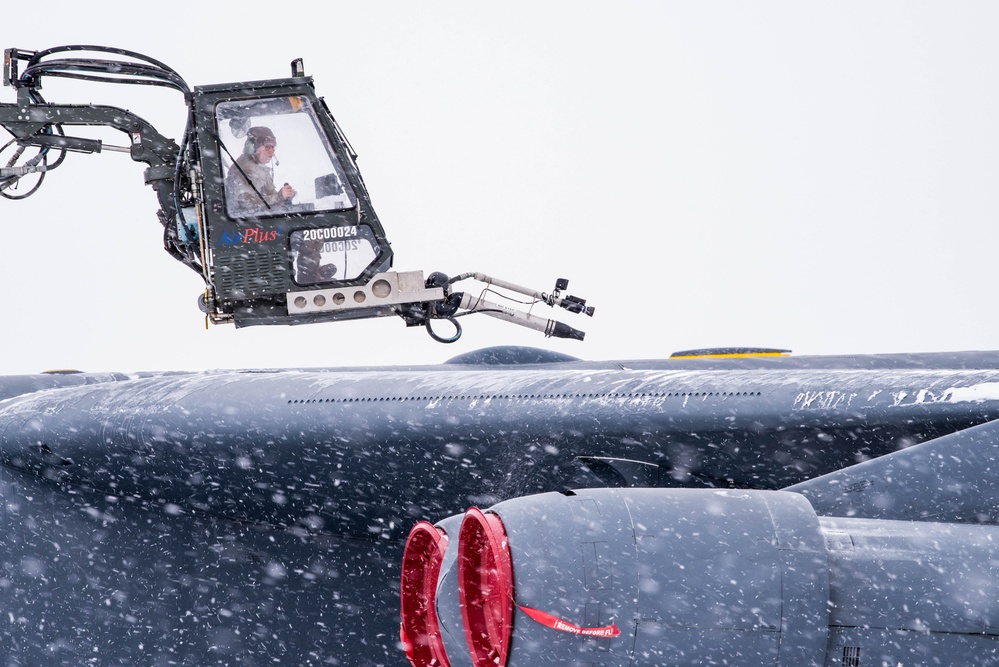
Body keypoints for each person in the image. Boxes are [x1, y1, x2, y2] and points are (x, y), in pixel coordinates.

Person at [224, 126, 296, 214]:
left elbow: (269, 197)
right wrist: (279, 197)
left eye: (273, 147)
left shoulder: (259, 167)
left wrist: (285, 197)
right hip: (248, 222)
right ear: (252, 148)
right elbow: (247, 203)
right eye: (267, 147)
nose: (272, 152)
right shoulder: (247, 170)